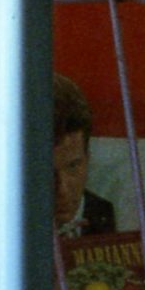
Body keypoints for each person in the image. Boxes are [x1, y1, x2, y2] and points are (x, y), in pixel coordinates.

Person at [52, 73, 116, 239]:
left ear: (88, 158)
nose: (62, 190)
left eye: (73, 166)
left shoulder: (101, 212)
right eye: (45, 173)